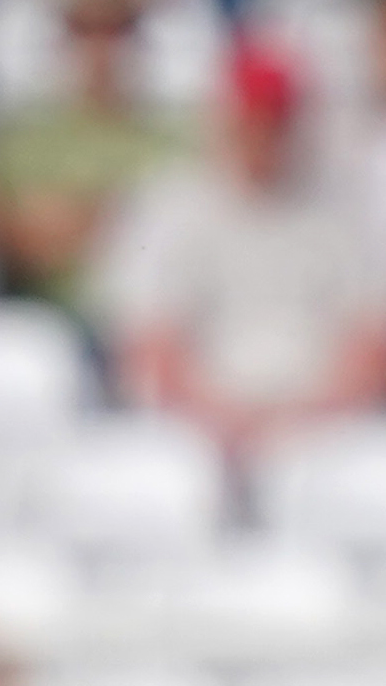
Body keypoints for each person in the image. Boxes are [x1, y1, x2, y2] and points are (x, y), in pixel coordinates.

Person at [102, 39, 386, 458]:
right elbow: (149, 343)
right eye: (251, 120)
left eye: (275, 122)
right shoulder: (168, 203)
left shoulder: (346, 208)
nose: (262, 136)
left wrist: (300, 420)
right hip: (197, 427)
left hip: (324, 425)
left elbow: (370, 342)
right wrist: (221, 420)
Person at [0, 0, 191, 322]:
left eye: (117, 27)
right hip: (52, 319)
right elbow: (26, 242)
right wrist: (130, 214)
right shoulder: (21, 136)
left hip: (154, 321)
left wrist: (86, 215)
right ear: (63, 33)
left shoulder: (180, 134)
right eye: (84, 27)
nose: (101, 45)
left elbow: (188, 239)